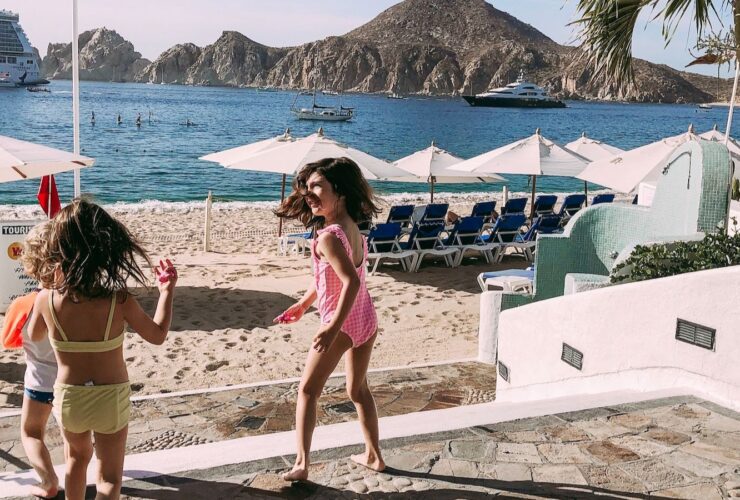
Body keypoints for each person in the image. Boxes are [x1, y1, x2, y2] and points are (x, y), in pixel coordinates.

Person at [25, 199, 177, 500]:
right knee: (109, 477)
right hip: (111, 396)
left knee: (75, 461)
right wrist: (166, 292)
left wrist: (48, 289)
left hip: (70, 397)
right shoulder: (118, 300)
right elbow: (158, 335)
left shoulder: (47, 300)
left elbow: (33, 334)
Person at [274, 157, 385, 482]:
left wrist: (332, 326)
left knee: (307, 391)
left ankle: (301, 464)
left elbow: (348, 282)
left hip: (344, 323)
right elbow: (331, 277)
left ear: (341, 191)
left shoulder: (328, 237)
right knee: (358, 390)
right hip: (366, 319)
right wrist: (304, 303)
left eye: (317, 187)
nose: (309, 194)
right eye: (306, 188)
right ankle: (374, 455)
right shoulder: (352, 230)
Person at [2, 222, 59, 499]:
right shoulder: (76, 302)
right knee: (78, 440)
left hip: (39, 382)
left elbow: (9, 342)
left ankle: (48, 481)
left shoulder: (23, 304)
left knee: (32, 432)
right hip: (75, 381)